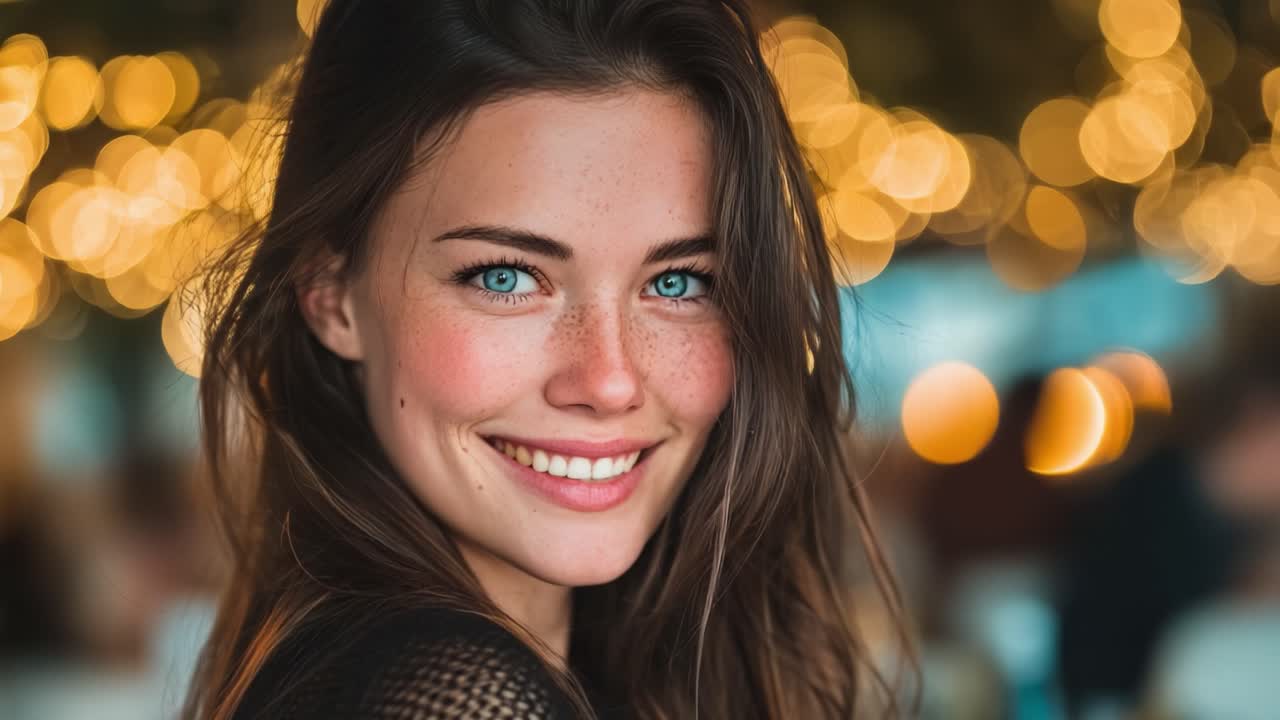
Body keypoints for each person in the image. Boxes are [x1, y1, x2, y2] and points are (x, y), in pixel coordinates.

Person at [180, 1, 911, 718]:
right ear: (332, 296)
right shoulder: (452, 696)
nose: (609, 379)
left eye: (679, 282)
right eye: (506, 277)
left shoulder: (377, 664)